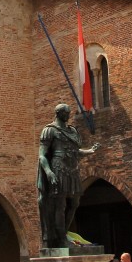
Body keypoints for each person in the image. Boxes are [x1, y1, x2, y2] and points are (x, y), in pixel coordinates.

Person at [37, 103, 100, 249]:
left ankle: (63, 233)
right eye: (66, 113)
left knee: (75, 203)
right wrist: (48, 172)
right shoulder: (49, 130)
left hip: (72, 169)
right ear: (58, 113)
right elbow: (42, 156)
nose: (68, 115)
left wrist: (90, 150)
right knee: (60, 205)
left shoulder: (72, 130)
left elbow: (76, 152)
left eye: (69, 113)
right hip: (58, 168)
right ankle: (60, 240)